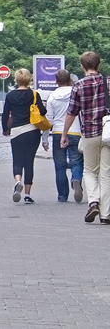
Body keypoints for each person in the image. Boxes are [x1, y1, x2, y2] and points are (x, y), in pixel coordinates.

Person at [61, 51, 110, 224]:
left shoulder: (79, 86)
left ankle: (93, 202)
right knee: (106, 173)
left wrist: (64, 134)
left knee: (89, 171)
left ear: (82, 67)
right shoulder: (109, 82)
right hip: (108, 133)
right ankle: (105, 215)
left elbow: (71, 113)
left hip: (89, 133)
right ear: (99, 64)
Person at [1, 68, 46, 204]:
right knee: (29, 162)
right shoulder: (34, 94)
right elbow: (43, 111)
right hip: (32, 131)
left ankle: (17, 182)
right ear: (29, 80)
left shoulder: (10, 96)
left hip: (17, 132)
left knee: (17, 160)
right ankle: (27, 194)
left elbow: (4, 114)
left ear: (17, 80)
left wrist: (5, 129)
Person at [43, 69, 83, 203]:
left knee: (59, 166)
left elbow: (49, 120)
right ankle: (76, 179)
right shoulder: (76, 93)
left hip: (58, 133)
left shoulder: (52, 96)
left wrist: (44, 139)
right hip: (76, 131)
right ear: (70, 79)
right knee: (76, 161)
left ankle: (62, 196)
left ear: (56, 81)